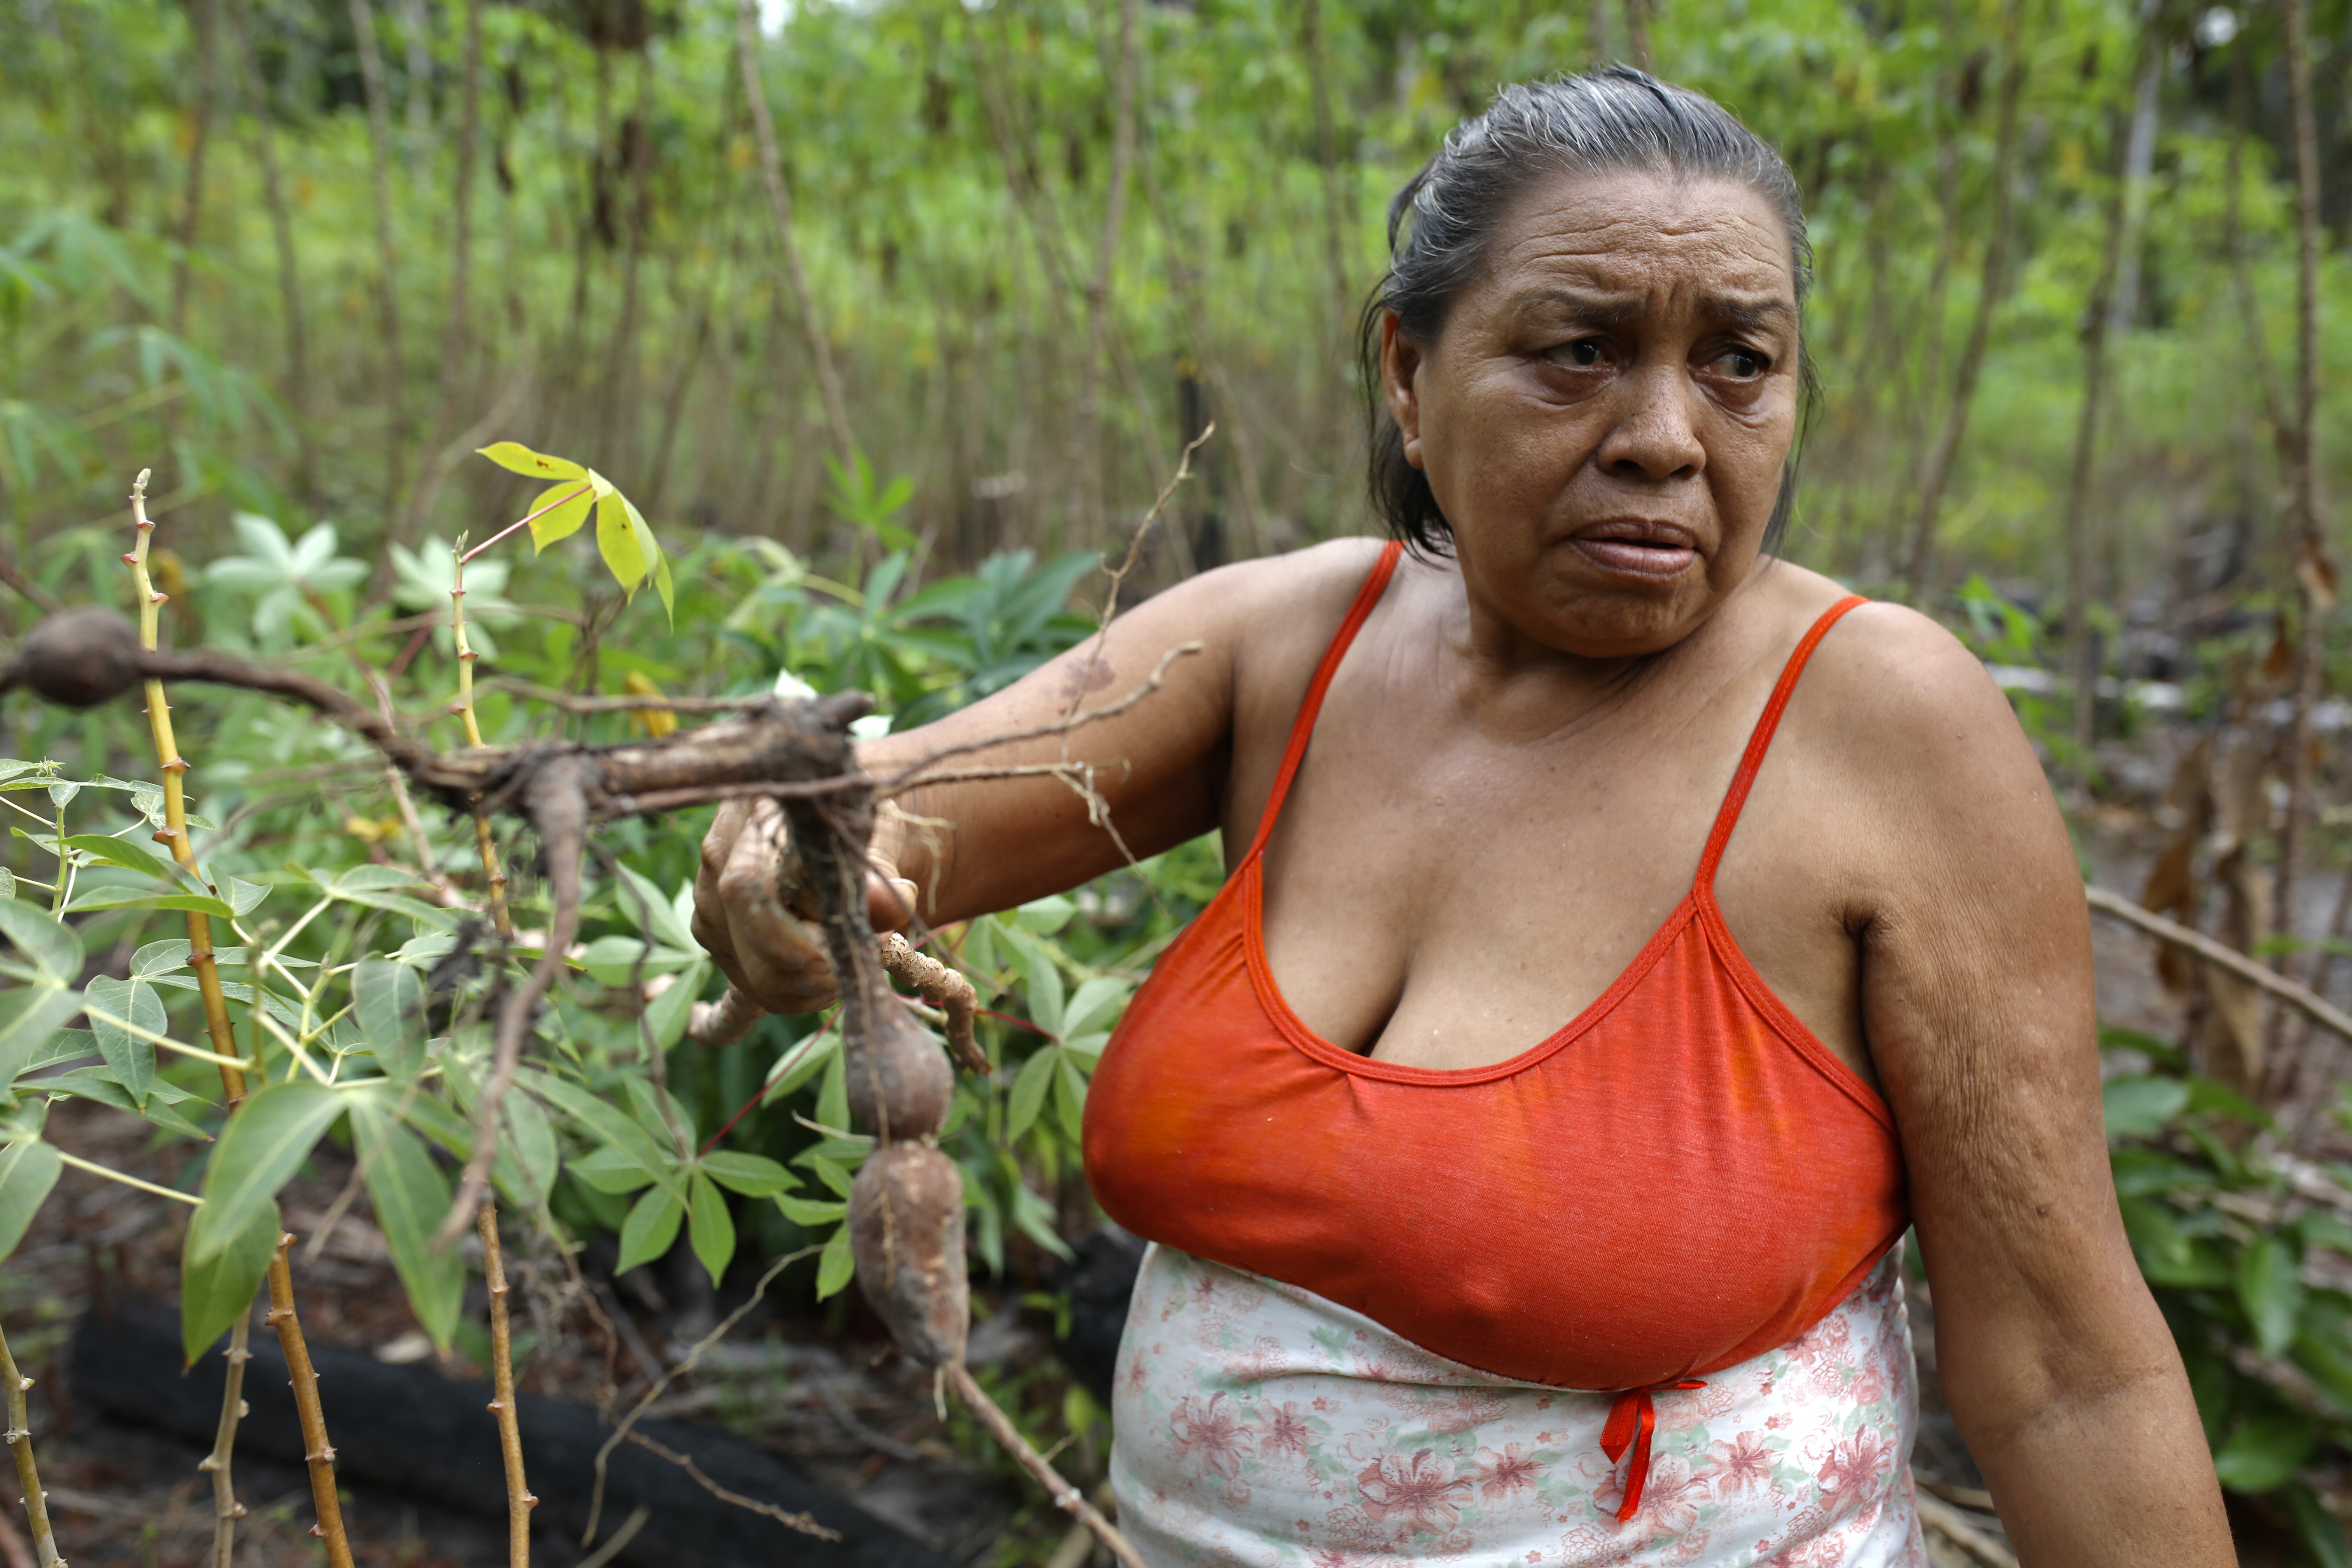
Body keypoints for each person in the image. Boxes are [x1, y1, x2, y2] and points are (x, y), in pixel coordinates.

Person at [693, 67, 2234, 1568]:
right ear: (1406, 376)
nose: (1665, 434)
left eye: (1739, 363)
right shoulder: (1285, 646)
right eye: (1578, 349)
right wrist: (780, 874)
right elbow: (877, 821)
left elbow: (2069, 1372)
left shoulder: (1886, 727)